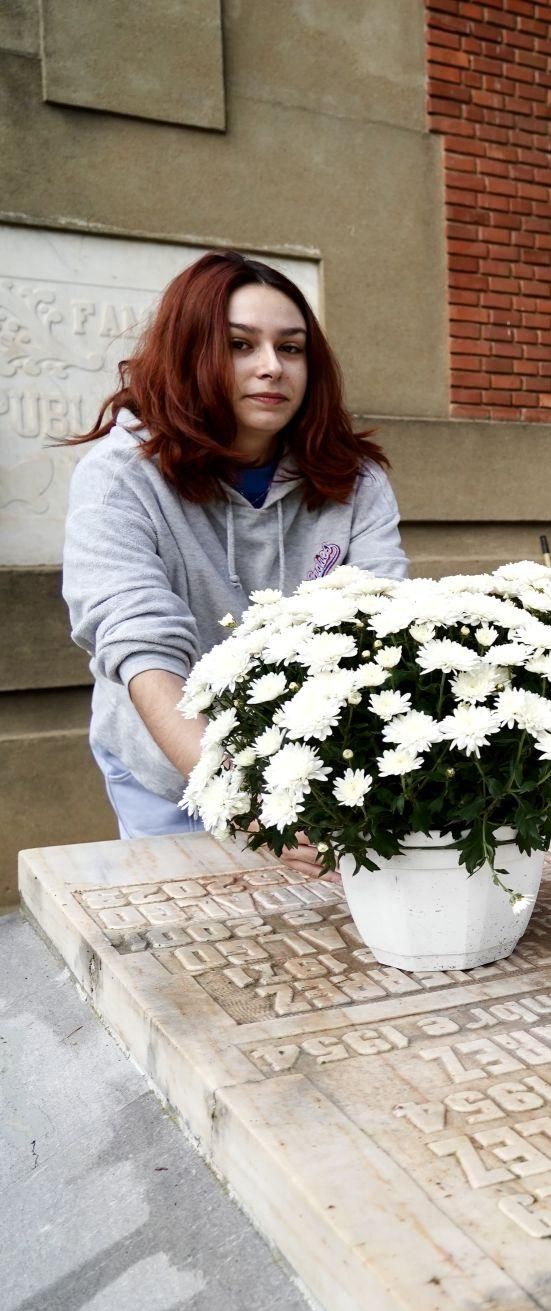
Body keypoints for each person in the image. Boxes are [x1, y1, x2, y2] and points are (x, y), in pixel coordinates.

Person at [63, 251, 406, 863]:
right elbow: (140, 646)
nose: (271, 367)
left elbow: (381, 629)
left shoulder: (354, 480)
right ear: (190, 352)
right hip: (169, 769)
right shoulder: (119, 477)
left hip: (320, 770)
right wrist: (246, 804)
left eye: (291, 348)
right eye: (239, 345)